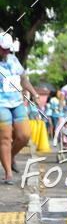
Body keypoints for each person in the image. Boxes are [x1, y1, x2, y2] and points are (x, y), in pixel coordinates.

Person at [0, 33, 37, 184]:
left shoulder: (14, 60)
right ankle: (8, 173)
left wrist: (34, 94)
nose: (6, 52)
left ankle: (10, 155)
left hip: (17, 102)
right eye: (3, 49)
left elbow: (23, 79)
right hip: (1, 105)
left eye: (8, 49)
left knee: (24, 135)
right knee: (5, 137)